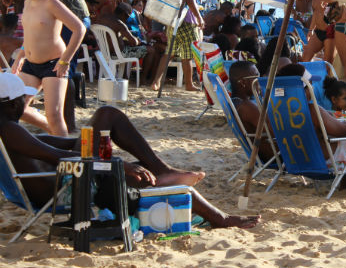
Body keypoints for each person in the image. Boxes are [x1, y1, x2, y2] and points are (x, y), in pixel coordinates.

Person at [0, 73, 260, 229]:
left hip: (61, 180)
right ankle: (219, 217)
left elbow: (60, 146)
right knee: (129, 161)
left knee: (106, 117)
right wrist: (115, 164)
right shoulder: (10, 130)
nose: (27, 102)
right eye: (23, 99)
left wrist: (100, 147)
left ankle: (165, 173)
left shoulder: (9, 131)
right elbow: (64, 157)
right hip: (66, 189)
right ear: (12, 104)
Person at [276, 64, 346, 192]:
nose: (313, 87)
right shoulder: (311, 110)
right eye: (310, 84)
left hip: (297, 161)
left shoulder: (277, 111)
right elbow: (342, 130)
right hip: (324, 164)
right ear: (303, 89)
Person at [11, 0, 85, 137]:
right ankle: (49, 129)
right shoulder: (27, 2)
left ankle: (64, 154)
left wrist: (65, 60)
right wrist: (20, 55)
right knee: (15, 107)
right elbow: (31, 34)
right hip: (30, 64)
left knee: (54, 115)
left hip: (54, 64)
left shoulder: (51, 3)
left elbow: (79, 28)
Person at [150, 0, 204, 92]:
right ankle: (189, 84)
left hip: (173, 19)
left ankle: (156, 81)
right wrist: (199, 17)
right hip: (186, 20)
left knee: (169, 53)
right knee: (187, 55)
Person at [96, 3, 161, 85]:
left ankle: (126, 76)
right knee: (151, 50)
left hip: (104, 52)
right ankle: (143, 79)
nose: (127, 19)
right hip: (119, 54)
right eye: (128, 16)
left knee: (127, 45)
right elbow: (134, 42)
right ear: (125, 15)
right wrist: (138, 40)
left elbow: (113, 39)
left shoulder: (102, 18)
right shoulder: (120, 24)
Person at [301, 0, 335, 64]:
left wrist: (325, 10)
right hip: (318, 31)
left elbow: (337, 12)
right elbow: (315, 13)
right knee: (305, 57)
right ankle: (305, 77)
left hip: (330, 31)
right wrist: (310, 30)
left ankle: (325, 77)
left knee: (327, 63)